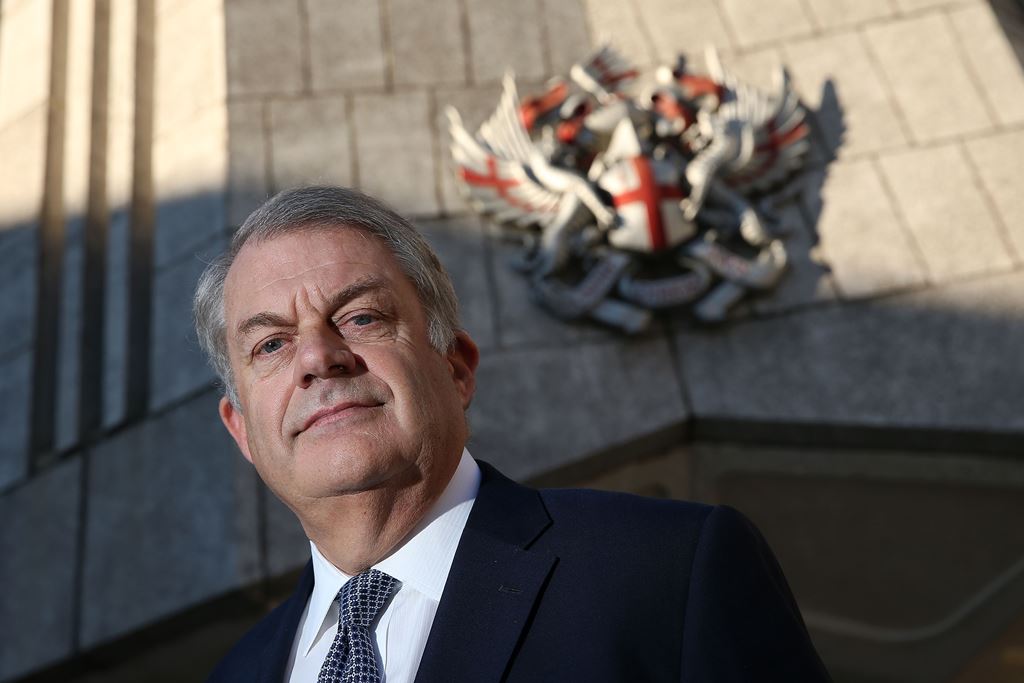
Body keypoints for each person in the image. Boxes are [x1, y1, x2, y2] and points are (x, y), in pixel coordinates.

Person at [194, 186, 830, 682]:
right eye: (271, 343)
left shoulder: (671, 572)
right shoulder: (237, 673)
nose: (317, 359)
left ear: (456, 367)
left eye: (360, 317)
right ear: (242, 430)